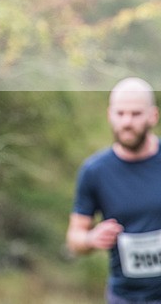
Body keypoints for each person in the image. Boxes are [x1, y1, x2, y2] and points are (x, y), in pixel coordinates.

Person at [67, 77, 161, 303]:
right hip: (124, 297)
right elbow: (74, 237)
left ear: (153, 116)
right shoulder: (94, 172)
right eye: (120, 114)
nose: (127, 122)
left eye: (136, 114)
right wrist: (91, 238)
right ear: (110, 114)